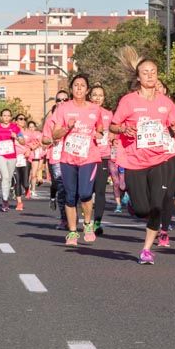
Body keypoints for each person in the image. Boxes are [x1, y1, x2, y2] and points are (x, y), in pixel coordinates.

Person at [110, 56, 175, 264]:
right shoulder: (128, 101)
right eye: (145, 72)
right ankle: (135, 204)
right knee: (143, 209)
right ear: (138, 77)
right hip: (134, 160)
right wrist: (124, 128)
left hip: (160, 159)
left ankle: (146, 250)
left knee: (158, 206)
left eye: (153, 71)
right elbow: (113, 125)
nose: (150, 75)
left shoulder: (165, 102)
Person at [48, 75, 106, 246]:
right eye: (76, 85)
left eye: (82, 86)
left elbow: (101, 128)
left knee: (86, 193)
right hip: (68, 158)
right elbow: (55, 134)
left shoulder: (95, 109)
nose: (79, 88)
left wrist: (99, 133)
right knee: (70, 196)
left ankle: (87, 224)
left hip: (89, 157)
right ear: (71, 89)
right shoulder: (63, 108)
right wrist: (68, 127)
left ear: (87, 90)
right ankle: (73, 232)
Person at [87, 86, 113, 237]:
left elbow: (114, 131)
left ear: (104, 98)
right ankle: (88, 220)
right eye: (95, 95)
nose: (97, 98)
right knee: (86, 191)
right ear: (90, 96)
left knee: (100, 190)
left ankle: (97, 222)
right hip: (87, 156)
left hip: (103, 156)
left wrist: (114, 137)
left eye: (100, 95)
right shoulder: (85, 111)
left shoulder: (108, 114)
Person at [43, 90, 70, 229]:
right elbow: (44, 139)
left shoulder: (74, 116)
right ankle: (64, 219)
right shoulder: (50, 120)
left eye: (65, 100)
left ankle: (74, 216)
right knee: (61, 189)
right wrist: (52, 139)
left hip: (73, 158)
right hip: (57, 157)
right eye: (59, 100)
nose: (62, 102)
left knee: (73, 190)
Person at [0, 109, 24, 213]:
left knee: (8, 179)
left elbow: (23, 141)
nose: (6, 118)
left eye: (8, 116)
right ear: (1, 117)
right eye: (4, 116)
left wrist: (17, 137)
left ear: (10, 117)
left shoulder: (15, 127)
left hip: (11, 156)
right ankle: (5, 200)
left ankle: (5, 197)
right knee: (5, 176)